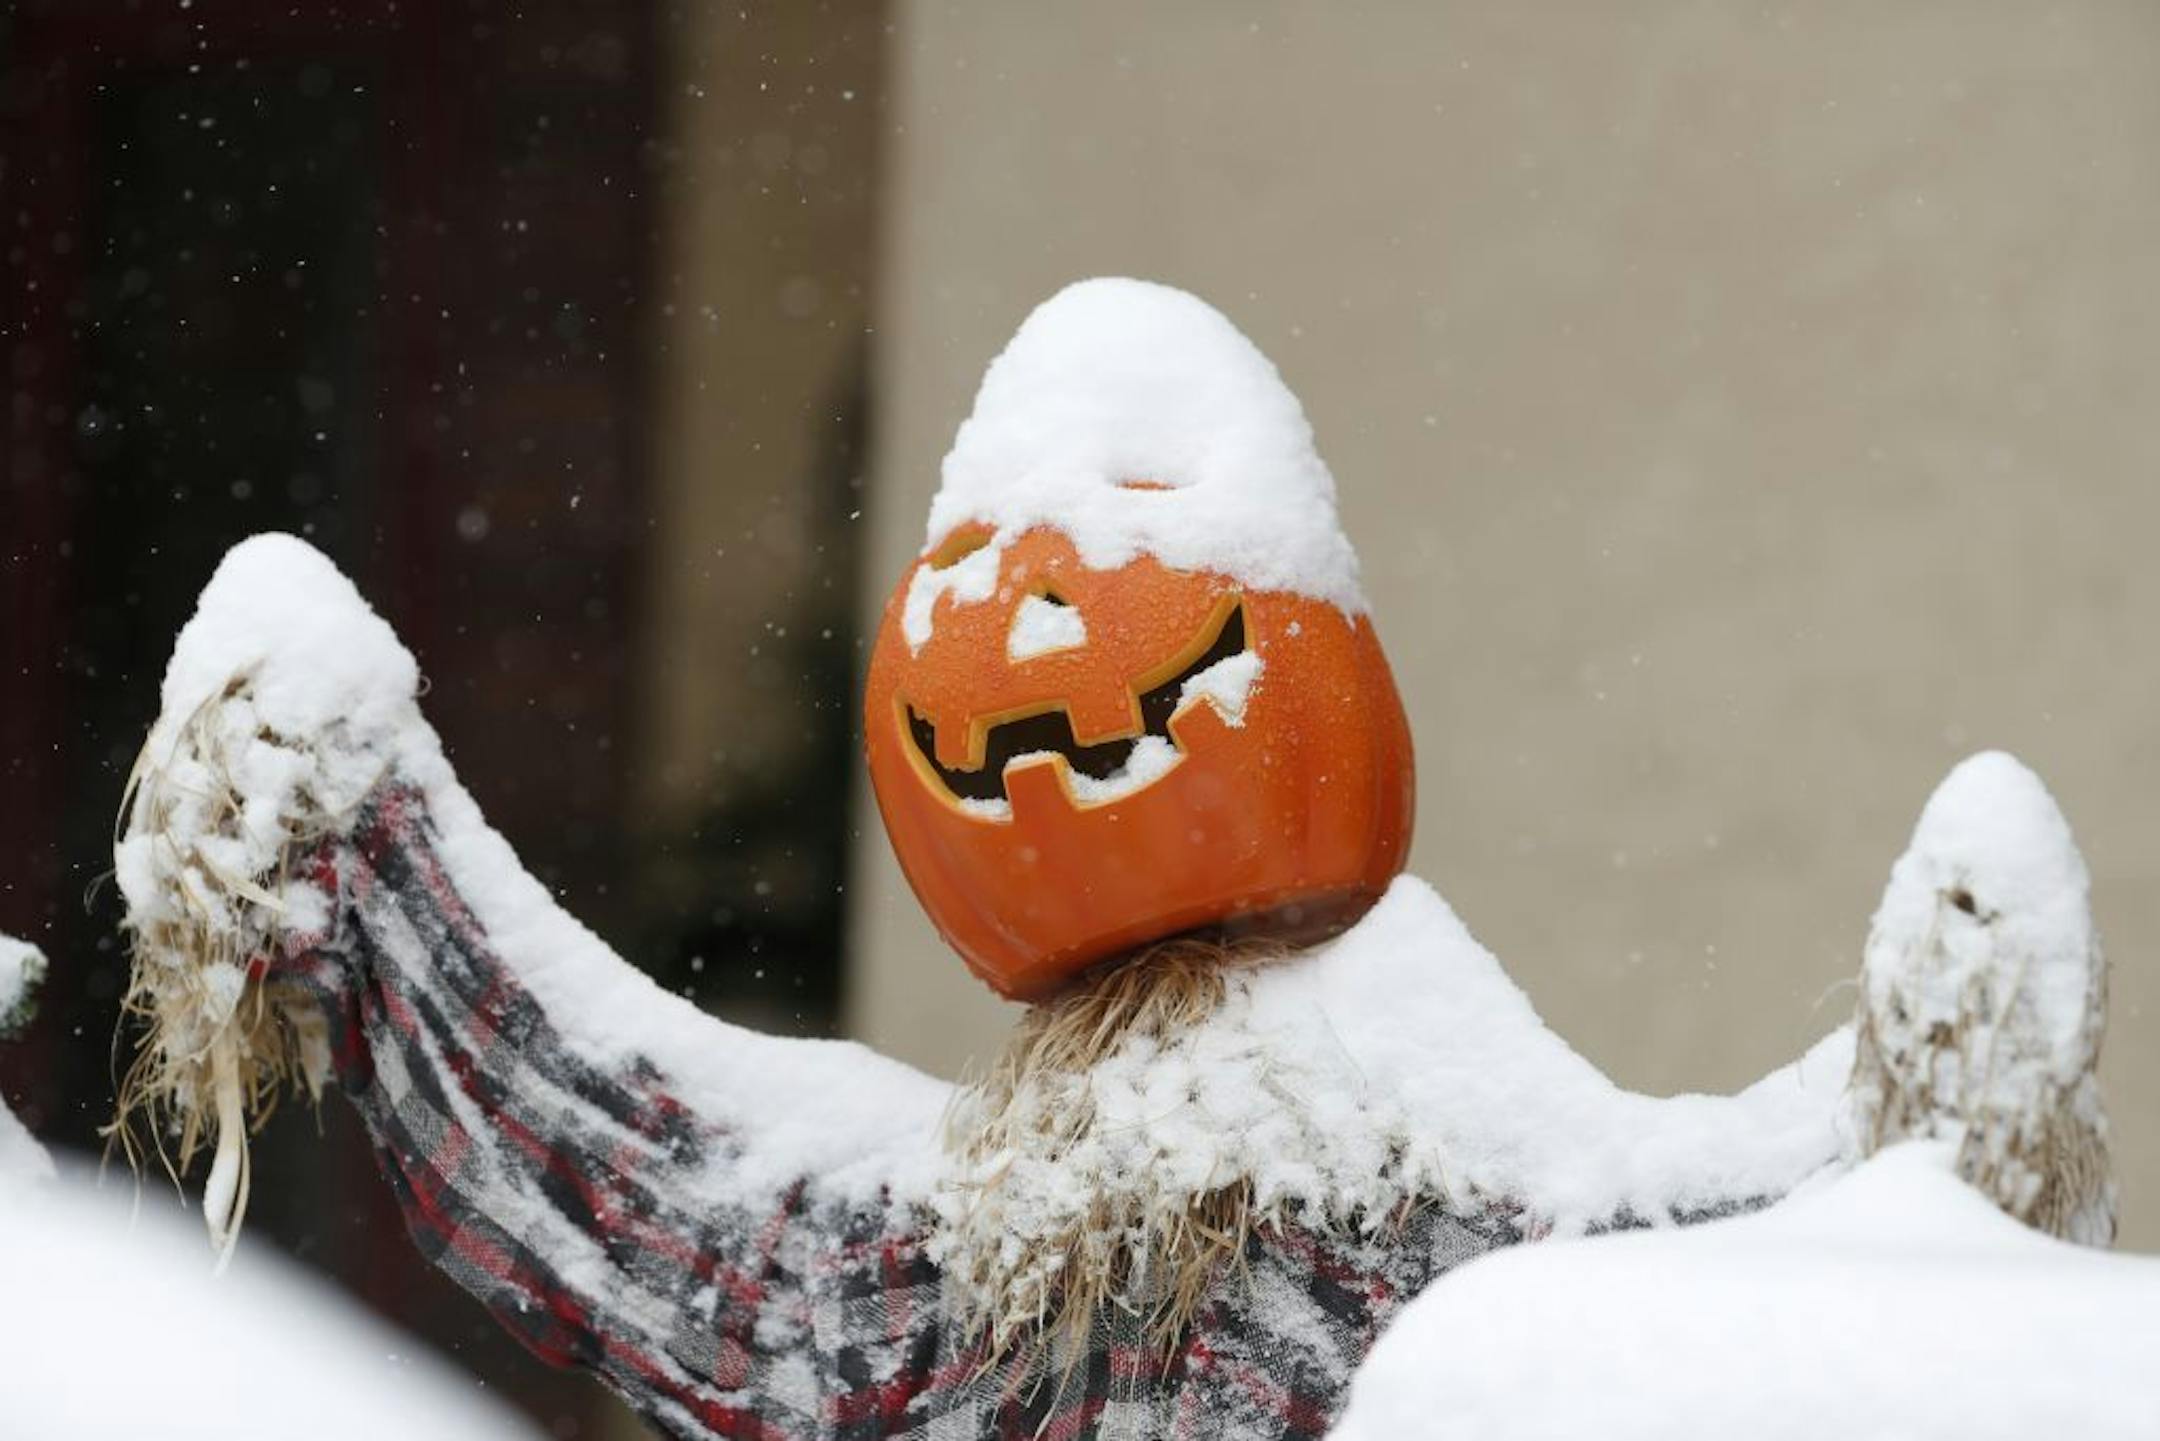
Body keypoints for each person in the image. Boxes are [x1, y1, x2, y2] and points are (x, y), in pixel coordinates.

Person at [110, 280, 2107, 1440]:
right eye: (980, 571)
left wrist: (1924, 1115)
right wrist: (375, 859)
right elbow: (682, 1206)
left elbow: (673, 1228)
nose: (1037, 631)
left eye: (1115, 552)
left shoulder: (1429, 1252)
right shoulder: (985, 1273)